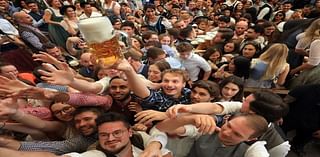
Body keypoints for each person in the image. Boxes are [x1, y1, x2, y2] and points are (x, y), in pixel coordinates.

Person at [167, 90, 290, 157]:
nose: (226, 132)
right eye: (229, 125)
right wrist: (186, 108)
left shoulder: (278, 145)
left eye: (246, 101)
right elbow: (215, 108)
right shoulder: (240, 108)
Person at [0, 112, 172, 157]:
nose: (110, 138)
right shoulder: (95, 152)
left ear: (129, 132)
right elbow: (49, 152)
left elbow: (160, 133)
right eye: (104, 135)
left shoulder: (142, 141)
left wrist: (155, 145)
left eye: (116, 133)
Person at [157, 113, 269, 157]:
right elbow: (164, 129)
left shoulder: (252, 150)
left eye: (237, 134)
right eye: (229, 125)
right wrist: (189, 119)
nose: (226, 132)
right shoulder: (208, 130)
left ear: (251, 139)